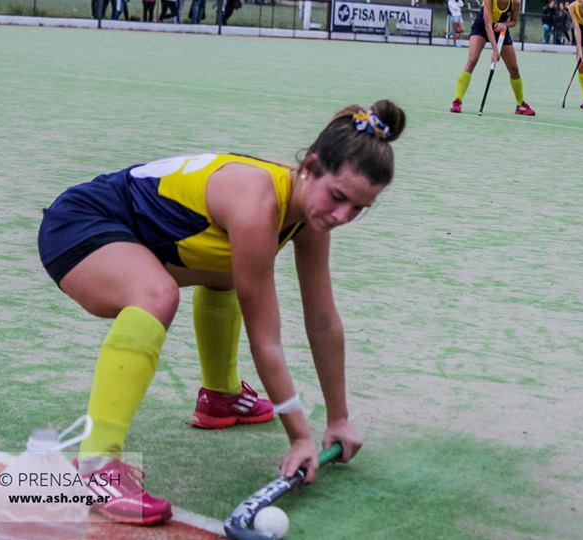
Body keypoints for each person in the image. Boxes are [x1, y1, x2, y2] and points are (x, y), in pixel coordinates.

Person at [37, 100, 406, 525]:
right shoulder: (256, 204)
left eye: (358, 208)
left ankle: (221, 397)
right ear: (311, 166)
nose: (342, 216)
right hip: (80, 224)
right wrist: (301, 436)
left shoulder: (310, 213)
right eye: (338, 197)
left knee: (228, 268)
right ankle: (96, 466)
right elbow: (266, 339)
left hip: (142, 237)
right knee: (156, 295)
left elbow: (323, 322)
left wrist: (338, 419)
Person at [449, 0, 536, 115]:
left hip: (500, 30)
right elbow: (488, 25)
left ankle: (520, 105)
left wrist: (504, 24)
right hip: (482, 27)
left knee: (514, 68)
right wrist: (495, 51)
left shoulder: (516, 2)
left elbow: (514, 21)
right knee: (472, 60)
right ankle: (457, 101)